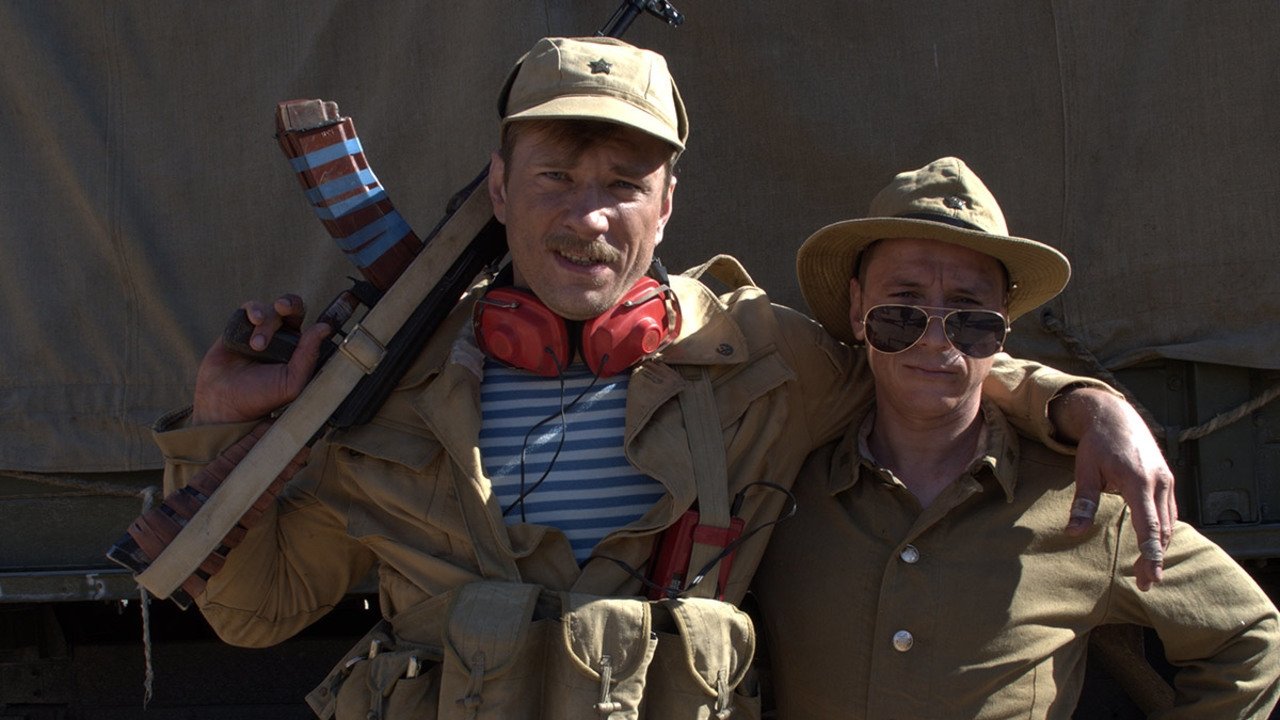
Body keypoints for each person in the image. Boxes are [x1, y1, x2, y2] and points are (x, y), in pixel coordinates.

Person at [156, 39, 1173, 718]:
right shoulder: (395, 378)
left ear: (668, 205)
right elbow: (259, 612)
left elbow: (930, 359)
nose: (588, 216)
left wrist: (1085, 404)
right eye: (554, 177)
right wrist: (215, 421)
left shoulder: (760, 360)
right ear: (499, 189)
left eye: (623, 184)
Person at [753, 156, 1280, 719]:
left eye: (969, 316)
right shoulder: (786, 488)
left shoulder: (1084, 503)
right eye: (902, 310)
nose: (935, 339)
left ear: (1004, 324)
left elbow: (1250, 637)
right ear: (858, 309)